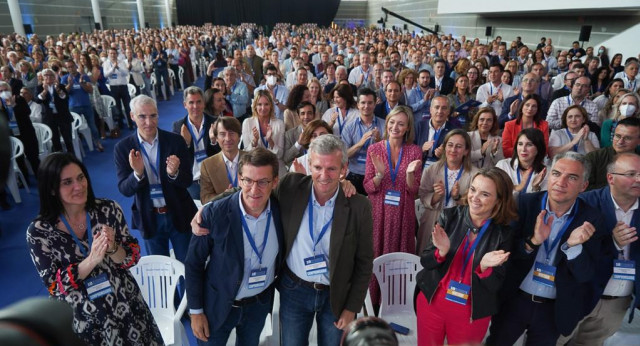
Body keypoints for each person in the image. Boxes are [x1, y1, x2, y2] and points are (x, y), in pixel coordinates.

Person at [26, 153, 164, 344]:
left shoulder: (108, 210)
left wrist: (113, 248)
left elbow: (132, 257)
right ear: (51, 189)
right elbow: (54, 285)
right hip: (83, 320)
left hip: (124, 304)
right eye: (67, 182)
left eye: (81, 177)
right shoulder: (39, 232)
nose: (78, 186)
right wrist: (91, 260)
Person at [487, 152, 605, 345]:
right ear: (548, 176)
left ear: (583, 186)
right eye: (556, 173)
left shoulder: (591, 219)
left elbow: (586, 274)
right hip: (514, 300)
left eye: (572, 177)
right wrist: (533, 241)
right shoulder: (523, 204)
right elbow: (502, 253)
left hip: (554, 310)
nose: (561, 182)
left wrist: (573, 248)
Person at [274, 134, 373, 346]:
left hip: (336, 296)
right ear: (309, 164)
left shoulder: (359, 206)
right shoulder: (290, 187)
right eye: (318, 167)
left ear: (343, 169)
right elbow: (255, 193)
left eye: (332, 169)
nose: (324, 175)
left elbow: (364, 262)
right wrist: (206, 212)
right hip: (294, 291)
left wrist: (352, 308)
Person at [185, 148, 284, 346]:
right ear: (239, 179)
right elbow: (193, 263)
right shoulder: (214, 214)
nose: (254, 190)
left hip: (258, 304)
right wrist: (195, 312)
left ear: (274, 182)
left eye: (263, 182)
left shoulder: (282, 209)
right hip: (218, 304)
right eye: (248, 180)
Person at [416, 168, 518, 346]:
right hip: (432, 302)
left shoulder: (504, 235)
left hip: (471, 312)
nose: (475, 198)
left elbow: (496, 285)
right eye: (473, 189)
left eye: (485, 194)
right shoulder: (449, 216)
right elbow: (425, 260)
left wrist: (484, 268)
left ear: (499, 200)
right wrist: (441, 252)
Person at [556, 153, 640, 345]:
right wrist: (613, 242)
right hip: (579, 294)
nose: (639, 179)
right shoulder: (584, 202)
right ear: (611, 178)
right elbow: (565, 247)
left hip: (618, 302)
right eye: (631, 174)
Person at [114, 95, 197, 262]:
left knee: (188, 266)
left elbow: (187, 180)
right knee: (161, 275)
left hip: (179, 213)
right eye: (142, 116)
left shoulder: (175, 141)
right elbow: (124, 189)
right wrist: (137, 174)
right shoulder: (122, 148)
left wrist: (174, 173)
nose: (148, 122)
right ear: (132, 116)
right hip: (150, 218)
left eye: (153, 116)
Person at [363, 106, 422, 303]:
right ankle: (374, 302)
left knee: (399, 258)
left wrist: (409, 174)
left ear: (407, 128)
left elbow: (413, 191)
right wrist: (380, 175)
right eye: (392, 122)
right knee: (376, 255)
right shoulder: (375, 149)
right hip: (378, 214)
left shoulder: (414, 151)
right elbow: (369, 187)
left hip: (403, 215)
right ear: (387, 123)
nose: (395, 127)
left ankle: (396, 302)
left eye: (401, 124)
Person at [418, 129, 479, 254]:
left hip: (460, 225)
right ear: (445, 147)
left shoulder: (475, 174)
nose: (453, 150)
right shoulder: (431, 169)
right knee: (427, 258)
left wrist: (457, 197)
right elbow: (422, 196)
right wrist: (436, 196)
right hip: (432, 222)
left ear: (466, 151)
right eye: (450, 145)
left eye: (459, 146)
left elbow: (477, 205)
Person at [171, 86, 219, 200]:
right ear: (185, 105)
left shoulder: (215, 122)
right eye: (191, 102)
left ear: (204, 103)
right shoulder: (178, 126)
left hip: (214, 177)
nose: (195, 106)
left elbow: (223, 153)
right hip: (193, 180)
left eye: (199, 102)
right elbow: (178, 159)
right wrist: (186, 144)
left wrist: (213, 141)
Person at [343, 88, 384, 195]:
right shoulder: (349, 127)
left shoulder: (384, 125)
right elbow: (344, 155)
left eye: (370, 103)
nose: (366, 106)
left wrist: (379, 141)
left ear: (375, 104)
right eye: (363, 103)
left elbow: (390, 154)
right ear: (358, 105)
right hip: (354, 175)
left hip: (377, 175)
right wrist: (360, 143)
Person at [585, 117, 640, 190]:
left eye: (627, 138)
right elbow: (583, 188)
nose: (620, 142)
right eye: (617, 136)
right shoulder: (594, 158)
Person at [241, 90, 286, 176]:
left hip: (275, 169)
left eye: (266, 104)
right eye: (259, 104)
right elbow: (247, 153)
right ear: (255, 106)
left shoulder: (279, 123)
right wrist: (254, 141)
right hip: (255, 168)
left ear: (271, 106)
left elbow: (280, 154)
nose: (263, 108)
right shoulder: (247, 122)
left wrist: (270, 141)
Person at [496, 128, 548, 196]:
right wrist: (518, 187)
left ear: (538, 148)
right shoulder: (503, 165)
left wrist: (535, 188)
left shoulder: (546, 172)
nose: (523, 149)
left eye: (529, 145)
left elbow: (543, 201)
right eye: (520, 144)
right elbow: (495, 191)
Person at [35, 68, 74, 154]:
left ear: (54, 77)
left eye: (51, 75)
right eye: (46, 75)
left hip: (63, 116)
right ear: (42, 77)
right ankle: (60, 160)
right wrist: (45, 91)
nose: (48, 77)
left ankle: (72, 157)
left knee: (68, 139)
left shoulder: (61, 86)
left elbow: (65, 98)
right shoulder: (39, 87)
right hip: (50, 117)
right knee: (55, 140)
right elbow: (37, 100)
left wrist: (58, 90)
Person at [415, 96, 460, 169]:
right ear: (430, 110)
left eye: (444, 108)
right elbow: (409, 151)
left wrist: (445, 155)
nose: (440, 111)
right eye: (437, 107)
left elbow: (458, 157)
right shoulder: (418, 126)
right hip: (419, 168)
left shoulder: (454, 131)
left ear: (448, 111)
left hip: (442, 169)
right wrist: (421, 149)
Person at [502, 94, 549, 158]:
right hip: (513, 159)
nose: (530, 108)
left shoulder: (544, 125)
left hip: (536, 160)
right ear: (522, 107)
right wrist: (527, 152)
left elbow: (544, 149)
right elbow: (505, 150)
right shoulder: (509, 125)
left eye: (534, 106)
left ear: (537, 109)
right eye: (527, 105)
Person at [103, 47, 133, 130]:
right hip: (114, 88)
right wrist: (113, 68)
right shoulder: (106, 63)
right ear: (108, 54)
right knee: (117, 107)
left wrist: (118, 68)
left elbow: (126, 73)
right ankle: (120, 124)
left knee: (127, 106)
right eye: (111, 53)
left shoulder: (121, 62)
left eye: (114, 53)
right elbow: (105, 75)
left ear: (117, 54)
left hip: (123, 86)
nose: (112, 55)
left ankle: (130, 123)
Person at [284, 101, 318, 167]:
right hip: (298, 172)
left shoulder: (320, 133)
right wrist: (298, 144)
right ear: (298, 116)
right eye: (302, 113)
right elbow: (286, 159)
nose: (306, 117)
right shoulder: (289, 134)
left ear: (314, 115)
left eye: (309, 113)